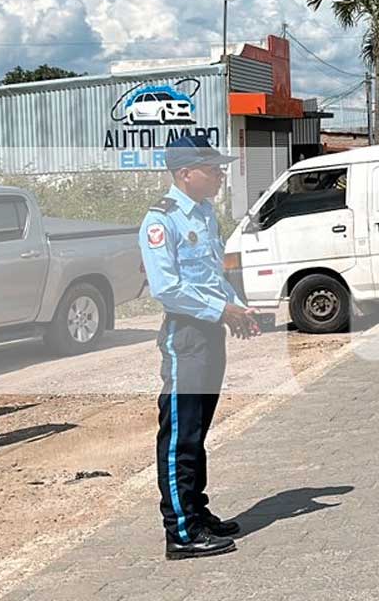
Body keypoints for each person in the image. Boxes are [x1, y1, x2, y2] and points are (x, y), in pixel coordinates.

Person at [140, 136, 261, 560]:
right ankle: (181, 533)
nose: (220, 175)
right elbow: (167, 288)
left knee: (198, 431)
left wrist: (238, 309)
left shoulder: (206, 214)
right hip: (186, 335)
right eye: (213, 169)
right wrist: (220, 311)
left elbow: (212, 275)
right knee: (179, 436)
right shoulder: (162, 221)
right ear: (185, 174)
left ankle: (196, 511)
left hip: (210, 330)